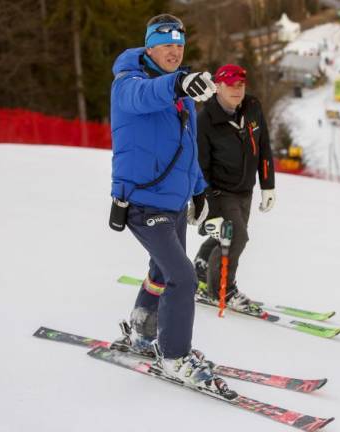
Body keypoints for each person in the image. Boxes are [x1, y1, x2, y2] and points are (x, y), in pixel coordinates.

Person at [109, 13, 233, 395]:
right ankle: (175, 356)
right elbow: (145, 96)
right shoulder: (129, 82)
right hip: (144, 203)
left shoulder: (182, 96)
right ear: (149, 46)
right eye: (166, 44)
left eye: (179, 45)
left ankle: (143, 332)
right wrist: (178, 83)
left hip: (175, 200)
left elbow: (188, 149)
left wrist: (199, 192)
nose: (174, 51)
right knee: (181, 276)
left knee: (162, 273)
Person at [193, 64, 275, 315]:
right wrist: (206, 205)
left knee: (225, 235)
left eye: (240, 85)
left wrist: (267, 184)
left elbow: (264, 148)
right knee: (236, 237)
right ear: (217, 86)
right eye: (230, 85)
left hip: (245, 189)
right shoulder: (206, 120)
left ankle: (200, 270)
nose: (237, 90)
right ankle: (222, 290)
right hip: (219, 191)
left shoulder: (252, 107)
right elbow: (200, 166)